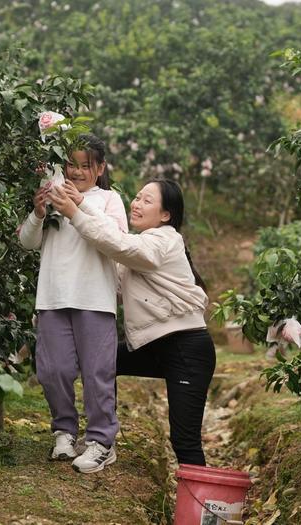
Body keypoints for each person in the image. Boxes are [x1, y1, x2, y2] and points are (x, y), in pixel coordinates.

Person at [49, 178, 216, 466]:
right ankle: (102, 441)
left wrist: (76, 213)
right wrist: (81, 203)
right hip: (154, 346)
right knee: (102, 361)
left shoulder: (165, 239)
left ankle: (202, 508)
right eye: (136, 198)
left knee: (184, 441)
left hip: (186, 350)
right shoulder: (138, 248)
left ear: (166, 215)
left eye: (146, 200)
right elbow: (114, 247)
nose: (136, 204)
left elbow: (118, 244)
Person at [18, 135, 128, 473]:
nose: (77, 171)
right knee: (54, 370)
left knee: (98, 373)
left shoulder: (109, 200)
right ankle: (64, 431)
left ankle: (100, 441)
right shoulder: (52, 196)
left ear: (100, 168)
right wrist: (38, 213)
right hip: (53, 296)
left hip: (94, 298)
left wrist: (78, 204)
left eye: (85, 165)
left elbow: (117, 240)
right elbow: (27, 242)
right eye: (71, 164)